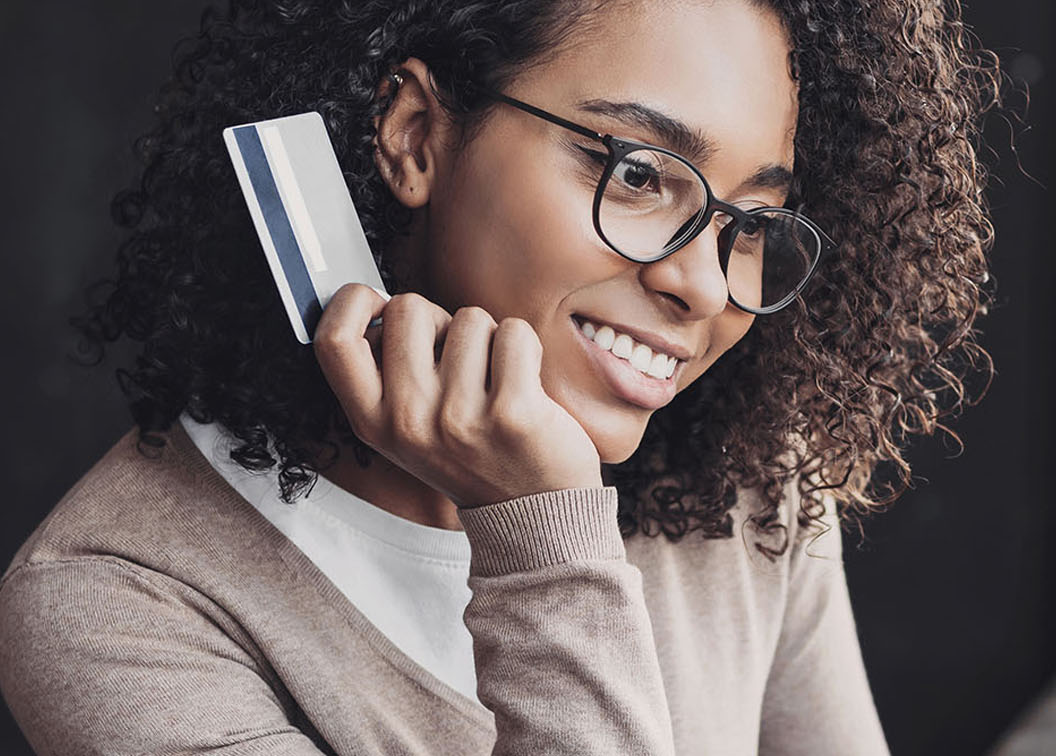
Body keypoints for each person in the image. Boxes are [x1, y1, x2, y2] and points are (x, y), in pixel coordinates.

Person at [0, 0, 997, 752]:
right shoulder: (120, 606)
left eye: (753, 223)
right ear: (416, 135)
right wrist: (543, 529)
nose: (702, 284)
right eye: (639, 173)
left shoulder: (750, 496)